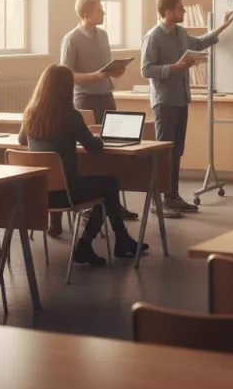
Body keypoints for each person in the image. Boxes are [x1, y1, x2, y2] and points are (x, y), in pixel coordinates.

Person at [17, 65, 147, 267]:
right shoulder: (70, 115)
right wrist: (95, 135)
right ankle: (92, 243)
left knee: (103, 185)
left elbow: (21, 140)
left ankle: (122, 240)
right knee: (110, 184)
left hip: (37, 191)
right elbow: (94, 147)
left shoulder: (31, 113)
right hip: (67, 192)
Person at [141, 0, 233, 217]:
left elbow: (200, 43)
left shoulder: (180, 32)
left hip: (182, 99)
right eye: (181, 8)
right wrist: (174, 67)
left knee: (176, 151)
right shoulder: (154, 36)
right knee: (164, 152)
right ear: (168, 12)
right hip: (164, 102)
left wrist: (221, 27)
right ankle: (158, 201)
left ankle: (172, 196)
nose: (183, 11)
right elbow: (146, 70)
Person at [59, 0, 138, 231]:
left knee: (111, 147)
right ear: (85, 14)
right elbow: (65, 75)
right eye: (99, 10)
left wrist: (116, 71)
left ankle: (113, 203)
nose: (103, 13)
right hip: (85, 97)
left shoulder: (103, 35)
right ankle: (88, 207)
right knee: (89, 150)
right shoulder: (71, 39)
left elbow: (106, 67)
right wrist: (95, 76)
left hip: (106, 94)